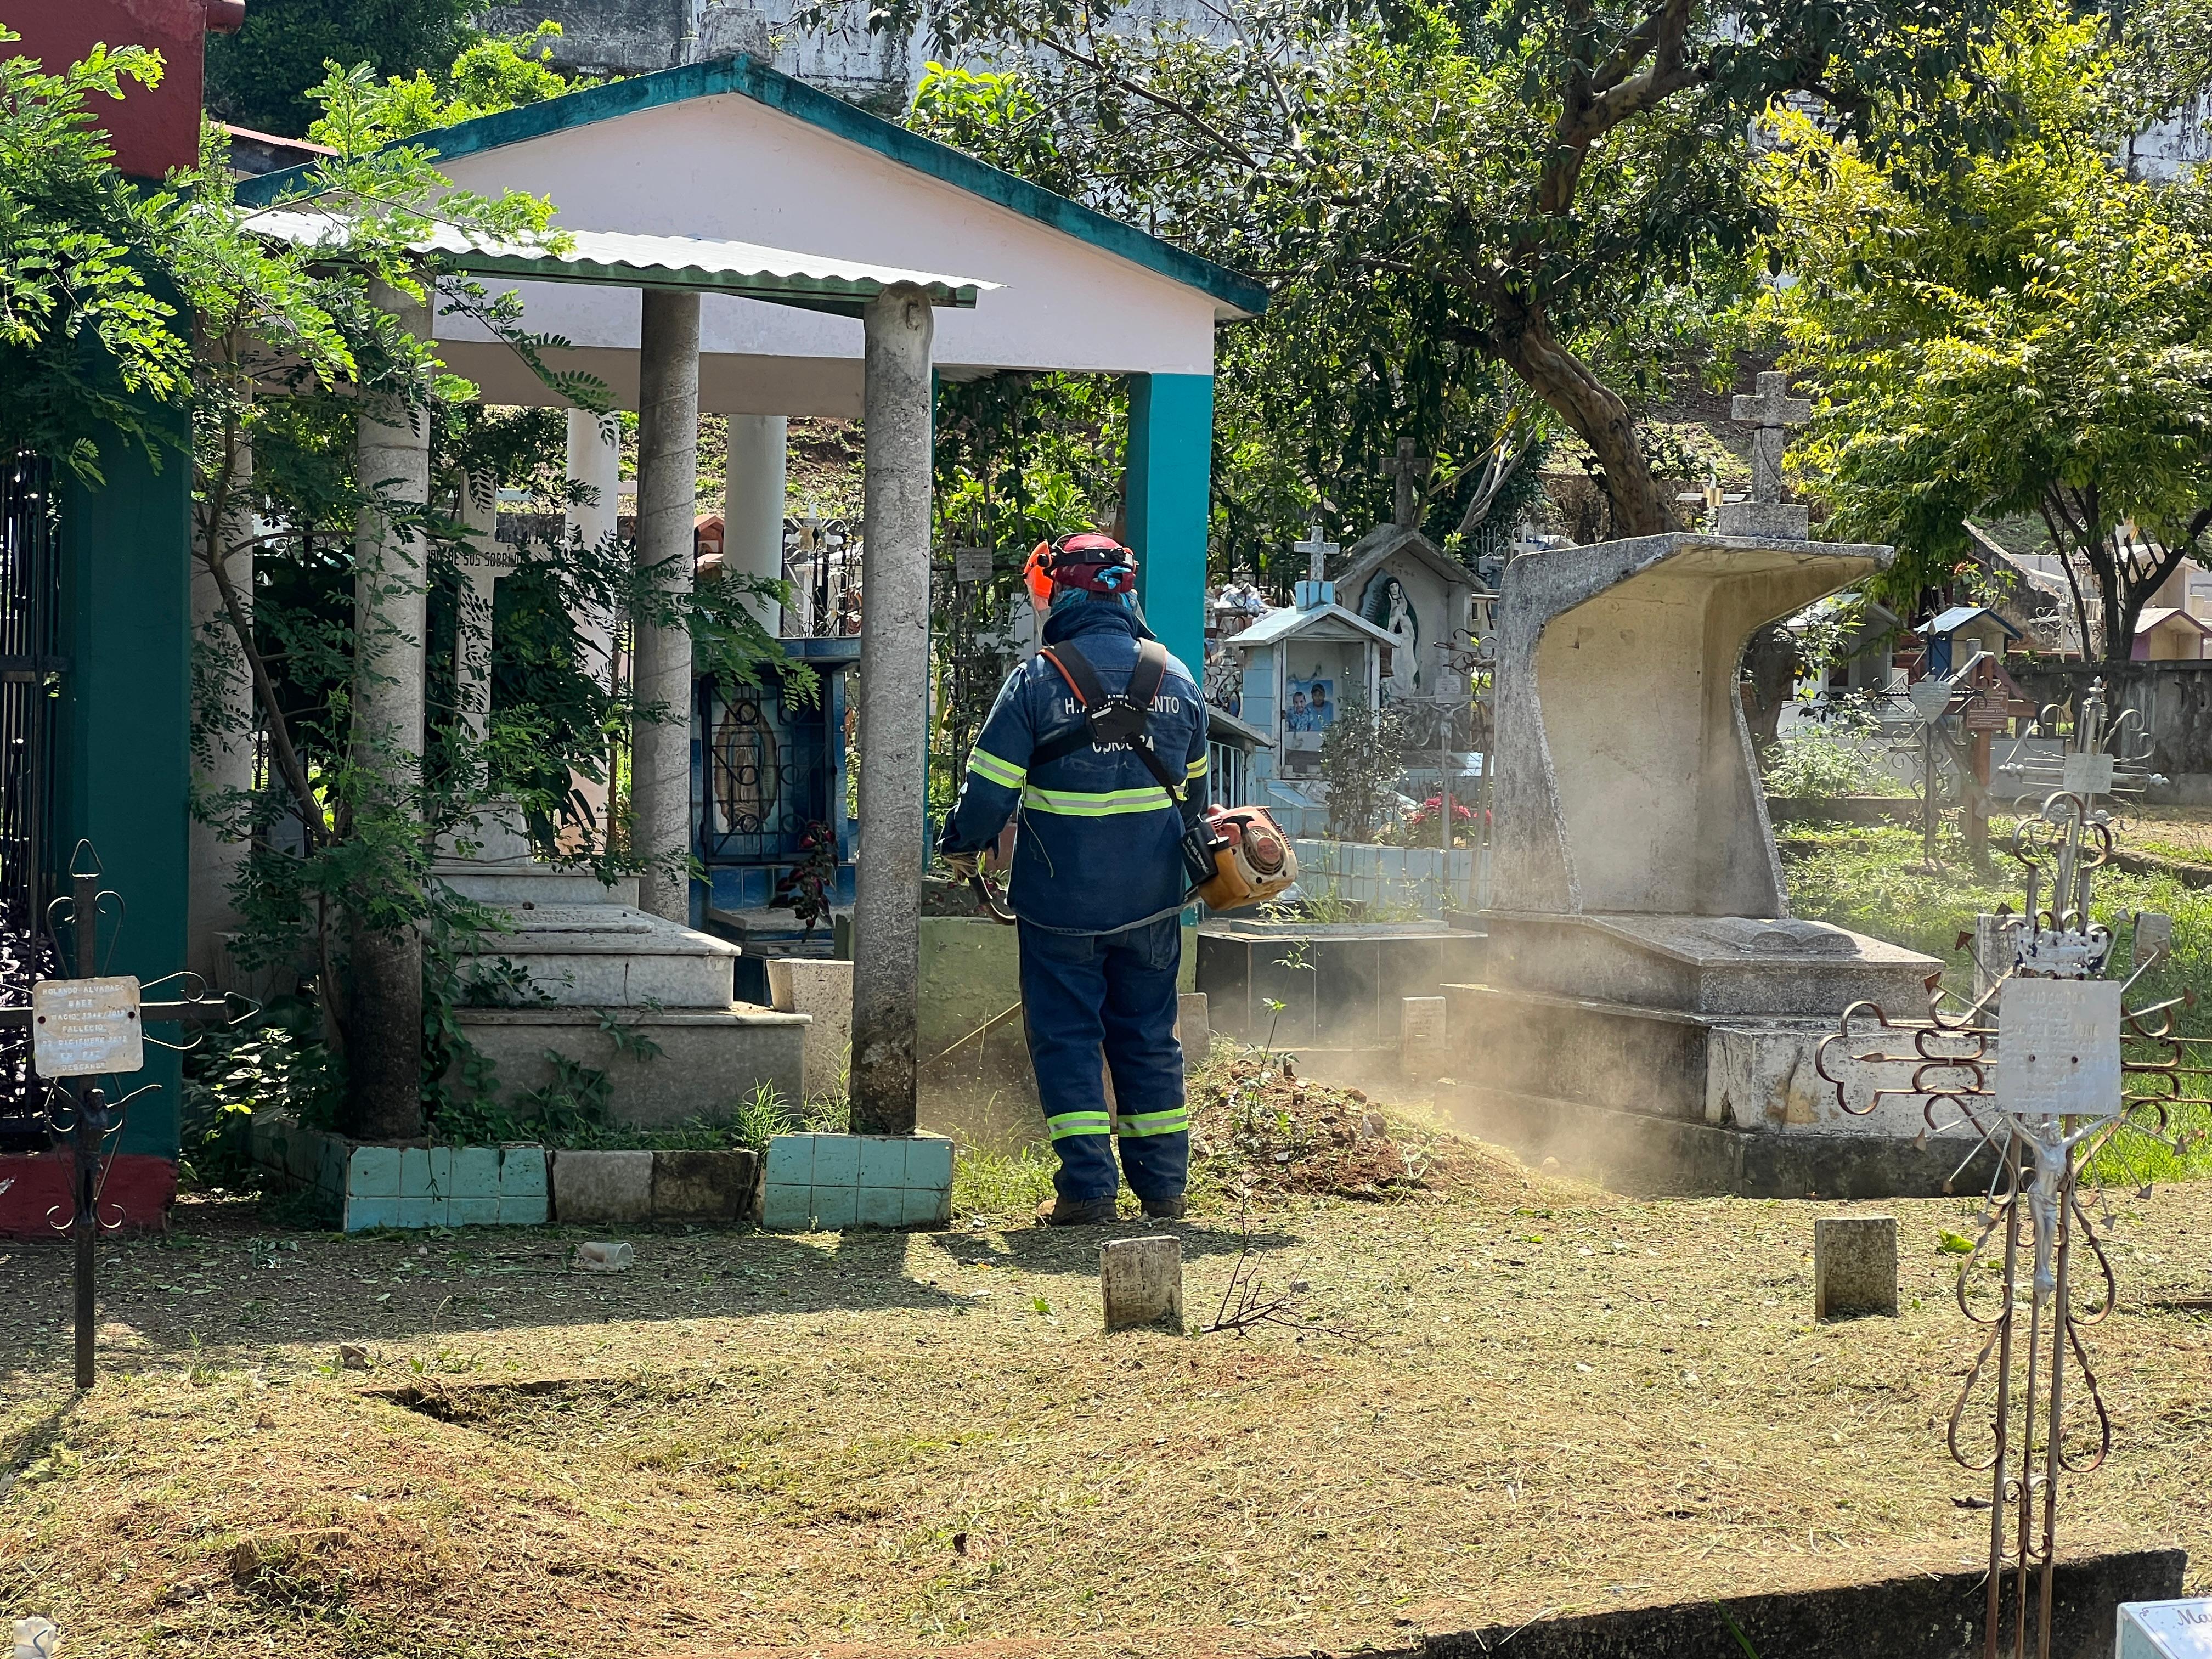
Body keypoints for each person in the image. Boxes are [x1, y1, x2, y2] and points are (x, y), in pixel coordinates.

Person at [935, 532, 1208, 1226]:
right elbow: (1197, 802)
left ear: (1065, 591)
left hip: (1061, 905)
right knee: (1149, 1037)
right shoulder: (1178, 679)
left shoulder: (1037, 681)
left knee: (1067, 1038)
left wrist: (961, 846)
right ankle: (1164, 1189)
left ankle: (1088, 1190)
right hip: (1152, 902)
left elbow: (989, 792)